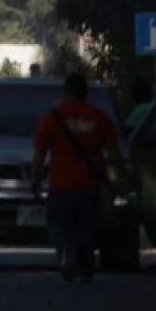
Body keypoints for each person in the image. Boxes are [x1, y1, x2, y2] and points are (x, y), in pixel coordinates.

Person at [31, 72, 127, 282]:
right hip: (90, 185)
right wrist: (120, 180)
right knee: (88, 226)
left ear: (65, 92)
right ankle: (84, 262)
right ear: (86, 93)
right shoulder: (100, 117)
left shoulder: (52, 118)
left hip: (60, 185)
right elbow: (113, 154)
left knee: (58, 225)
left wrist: (35, 179)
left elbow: (39, 154)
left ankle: (67, 252)